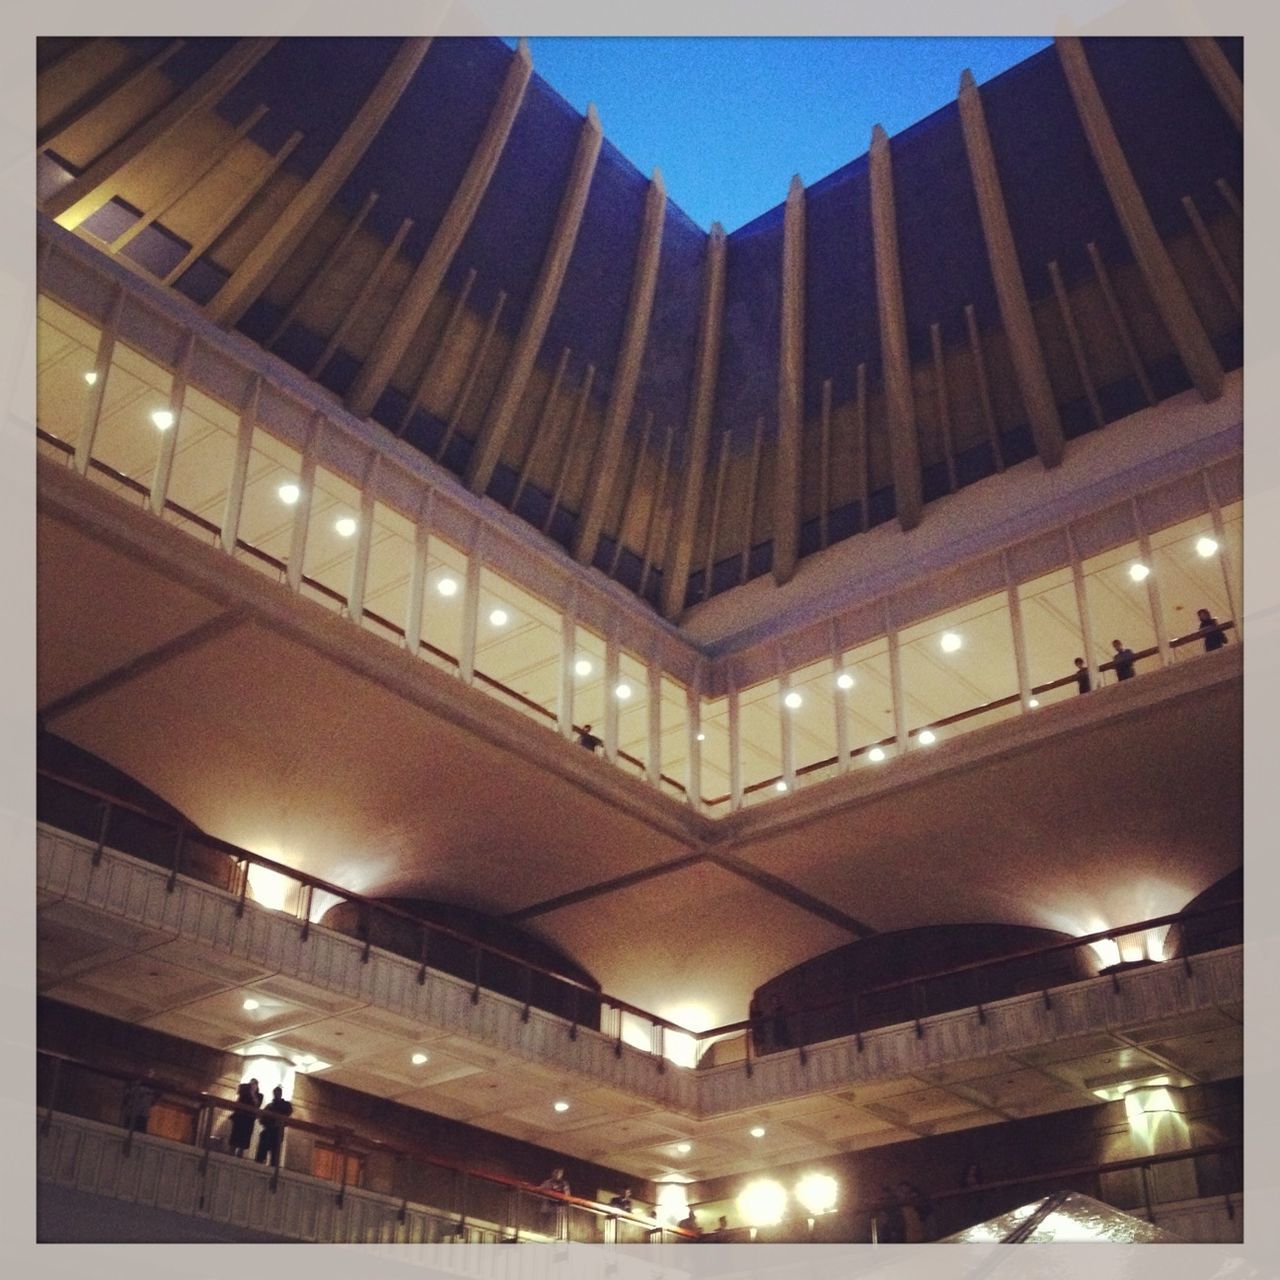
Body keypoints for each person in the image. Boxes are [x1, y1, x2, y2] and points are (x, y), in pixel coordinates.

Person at [254, 1084, 293, 1167]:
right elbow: (262, 1118)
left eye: (277, 1093)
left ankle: (267, 1166)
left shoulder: (284, 1105)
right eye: (275, 1093)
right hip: (269, 1131)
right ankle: (261, 1164)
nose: (276, 1095)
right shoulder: (270, 1106)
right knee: (265, 1151)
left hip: (276, 1132)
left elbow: (286, 1116)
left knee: (274, 1154)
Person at [228, 1077, 262, 1157]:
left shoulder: (259, 1095)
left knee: (244, 1139)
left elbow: (257, 1104)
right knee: (235, 1136)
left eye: (254, 1084)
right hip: (239, 1117)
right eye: (251, 1084)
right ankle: (230, 1154)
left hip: (249, 1119)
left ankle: (239, 1155)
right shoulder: (244, 1092)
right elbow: (239, 1097)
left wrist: (252, 1093)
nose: (252, 1086)